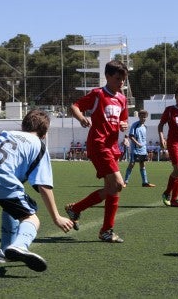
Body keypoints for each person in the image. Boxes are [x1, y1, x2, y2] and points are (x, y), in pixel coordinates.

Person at [0, 109, 73, 272]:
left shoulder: (5, 133)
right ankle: (20, 246)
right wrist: (56, 218)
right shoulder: (39, 145)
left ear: (24, 125)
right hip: (0, 178)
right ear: (44, 133)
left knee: (12, 207)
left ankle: (4, 251)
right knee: (32, 218)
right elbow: (44, 186)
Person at [65, 60, 129, 243]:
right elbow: (74, 106)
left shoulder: (122, 99)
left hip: (112, 147)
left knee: (112, 189)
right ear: (107, 76)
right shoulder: (98, 94)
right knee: (117, 184)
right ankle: (106, 230)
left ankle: (76, 208)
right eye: (118, 79)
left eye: (123, 79)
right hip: (98, 144)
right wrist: (81, 118)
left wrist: (124, 125)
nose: (121, 83)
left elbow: (123, 121)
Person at [123, 110, 155, 187]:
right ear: (139, 116)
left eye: (144, 117)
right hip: (135, 149)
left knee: (142, 164)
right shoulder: (135, 125)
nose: (143, 118)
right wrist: (137, 143)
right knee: (132, 164)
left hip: (143, 150)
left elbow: (143, 139)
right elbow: (131, 136)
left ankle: (145, 182)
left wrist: (145, 148)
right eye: (142, 116)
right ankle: (125, 182)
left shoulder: (145, 127)